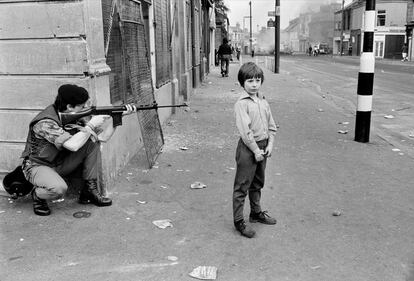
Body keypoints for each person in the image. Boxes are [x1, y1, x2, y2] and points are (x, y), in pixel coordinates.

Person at [20, 84, 136, 216]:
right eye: (82, 106)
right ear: (69, 106)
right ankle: (38, 195)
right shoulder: (45, 122)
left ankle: (89, 191)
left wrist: (118, 117)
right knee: (59, 189)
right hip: (38, 165)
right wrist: (91, 125)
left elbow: (102, 138)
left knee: (92, 143)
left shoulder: (75, 115)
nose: (86, 109)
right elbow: (72, 145)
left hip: (59, 162)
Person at [232, 62, 277, 238]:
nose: (254, 84)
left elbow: (272, 126)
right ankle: (238, 221)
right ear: (242, 83)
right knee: (242, 185)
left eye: (257, 80)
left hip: (264, 146)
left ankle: (255, 213)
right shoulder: (241, 104)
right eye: (250, 81)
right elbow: (245, 131)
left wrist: (270, 144)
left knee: (258, 182)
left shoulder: (263, 102)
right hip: (248, 149)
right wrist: (255, 150)